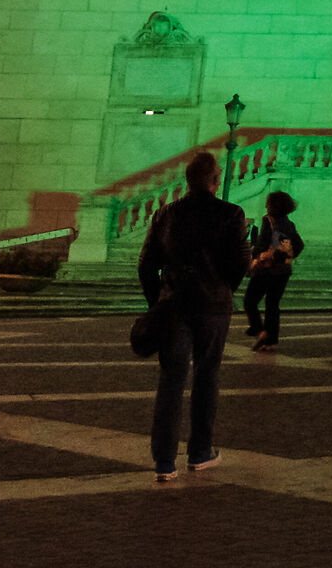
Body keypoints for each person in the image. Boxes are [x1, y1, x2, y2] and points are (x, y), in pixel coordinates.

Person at [137, 152, 248, 481]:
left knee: (171, 380)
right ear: (216, 180)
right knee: (206, 376)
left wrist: (157, 300)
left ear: (187, 181)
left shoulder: (166, 214)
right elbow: (241, 262)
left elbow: (146, 265)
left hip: (174, 307)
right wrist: (223, 286)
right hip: (213, 306)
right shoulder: (231, 214)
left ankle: (164, 461)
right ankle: (200, 452)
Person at [242, 191, 303, 352]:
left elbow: (263, 243)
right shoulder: (289, 224)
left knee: (249, 301)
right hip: (283, 271)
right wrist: (286, 258)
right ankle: (271, 340)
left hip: (266, 270)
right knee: (272, 304)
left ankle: (259, 330)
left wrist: (259, 257)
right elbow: (299, 245)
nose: (265, 206)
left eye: (268, 203)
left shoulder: (268, 220)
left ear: (273, 206)